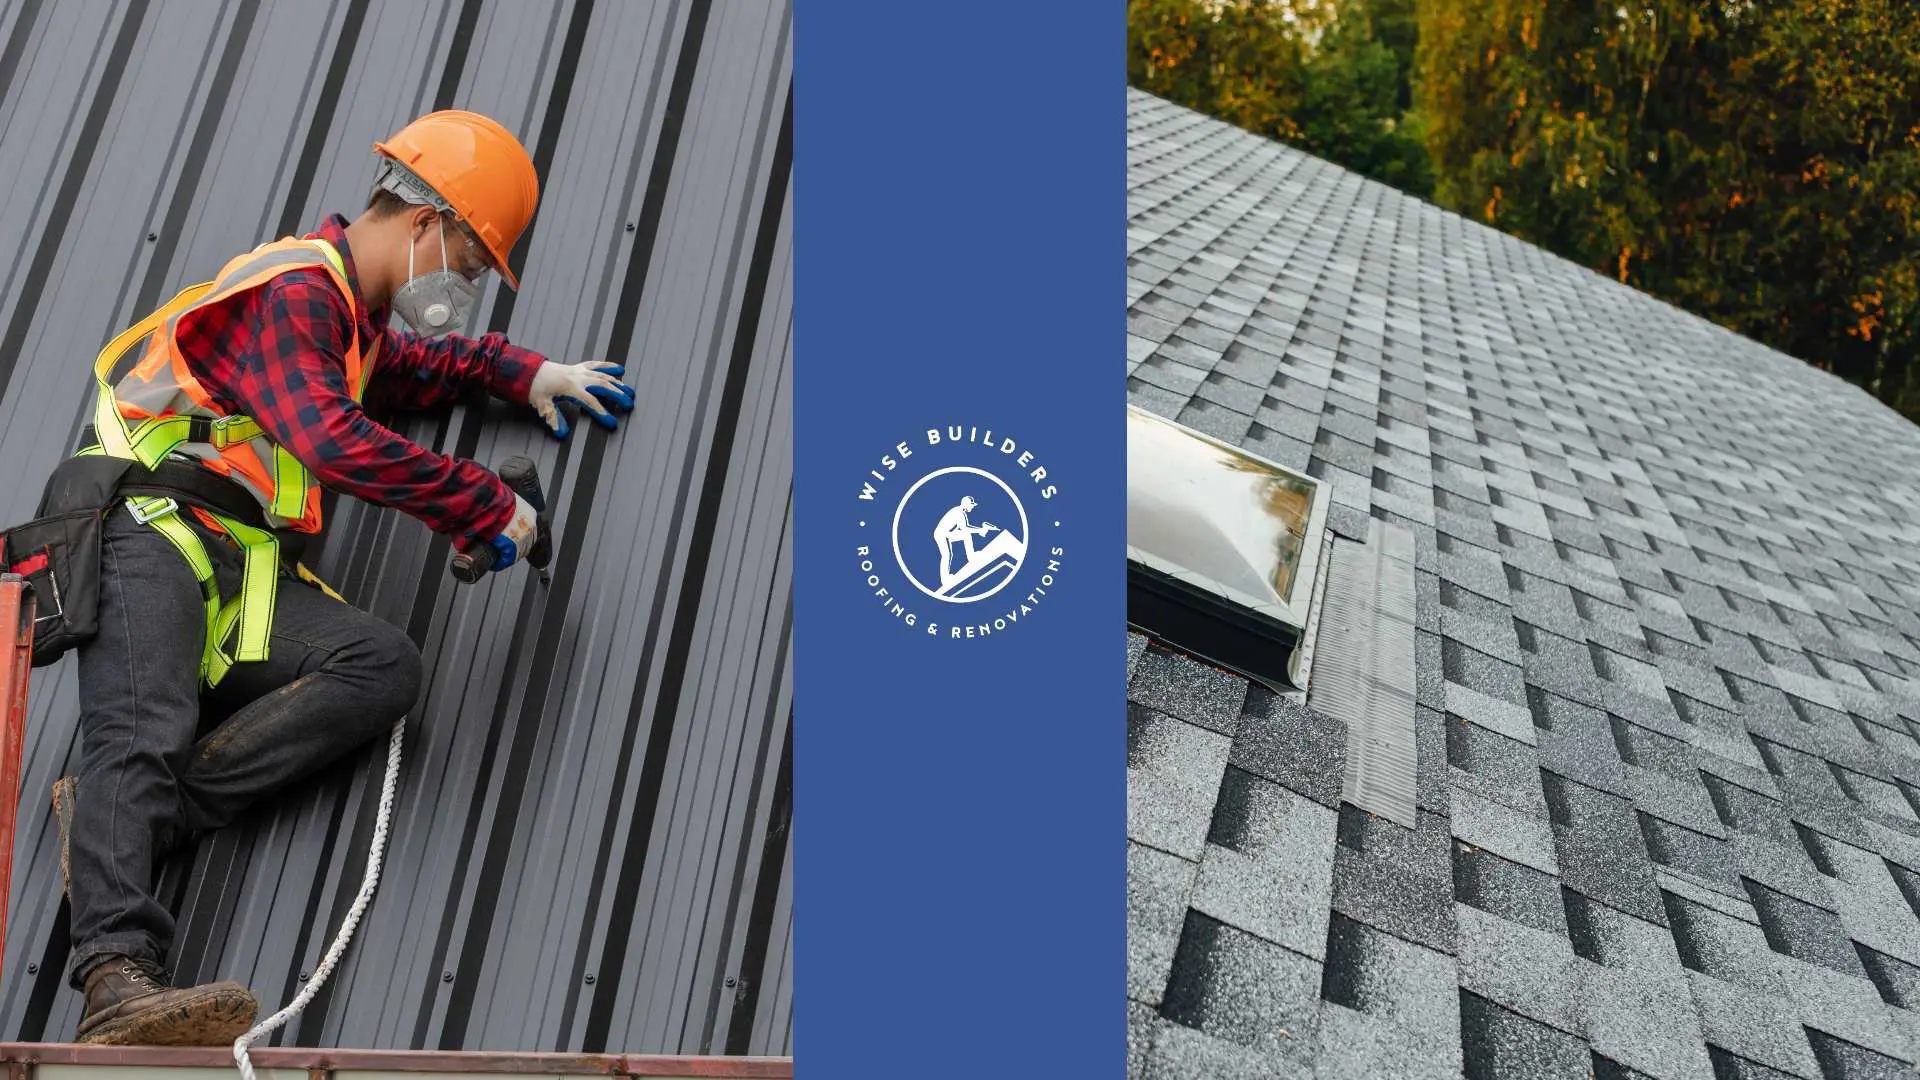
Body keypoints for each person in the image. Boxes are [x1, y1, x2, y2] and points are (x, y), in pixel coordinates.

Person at [42, 110, 635, 1047]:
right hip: (145, 531)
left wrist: (527, 374)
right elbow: (330, 438)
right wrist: (479, 502)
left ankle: (131, 818)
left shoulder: (346, 326)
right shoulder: (295, 292)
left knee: (382, 666)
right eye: (473, 265)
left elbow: (412, 371)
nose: (466, 287)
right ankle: (117, 981)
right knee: (141, 724)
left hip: (234, 565)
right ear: (427, 223)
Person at [933, 496, 997, 583]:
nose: (972, 507)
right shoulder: (958, 513)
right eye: (971, 505)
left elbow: (965, 528)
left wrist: (980, 530)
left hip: (949, 533)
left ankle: (971, 556)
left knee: (966, 535)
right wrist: (981, 530)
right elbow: (965, 528)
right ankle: (945, 579)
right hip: (942, 535)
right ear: (966, 504)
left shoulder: (961, 512)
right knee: (947, 554)